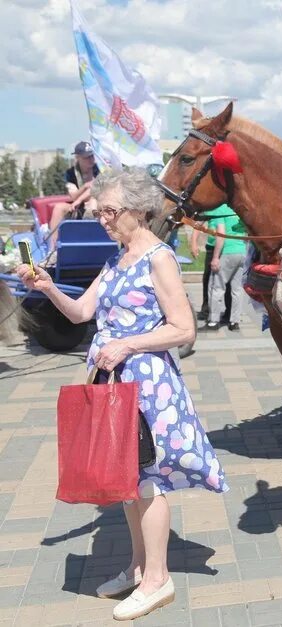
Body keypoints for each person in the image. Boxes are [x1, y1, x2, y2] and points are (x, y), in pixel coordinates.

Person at [15, 168, 229, 620]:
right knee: (127, 480)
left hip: (147, 386)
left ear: (139, 209)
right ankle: (138, 568)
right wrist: (48, 286)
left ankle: (158, 579)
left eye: (109, 212)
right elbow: (82, 313)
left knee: (148, 481)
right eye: (99, 213)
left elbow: (183, 329)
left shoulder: (159, 259)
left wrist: (128, 343)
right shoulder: (117, 259)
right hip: (113, 382)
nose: (103, 221)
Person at [47, 141, 101, 250]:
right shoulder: (70, 173)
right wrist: (85, 186)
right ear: (78, 157)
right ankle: (53, 247)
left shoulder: (98, 169)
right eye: (86, 157)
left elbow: (96, 189)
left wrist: (81, 197)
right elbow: (73, 197)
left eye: (92, 156)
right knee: (58, 208)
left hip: (96, 202)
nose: (91, 159)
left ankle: (94, 244)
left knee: (93, 203)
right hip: (78, 207)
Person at [206, 210, 247, 331]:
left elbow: (221, 235)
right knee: (237, 290)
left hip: (228, 252)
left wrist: (215, 257)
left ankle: (214, 321)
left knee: (217, 287)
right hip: (242, 252)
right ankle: (234, 322)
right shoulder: (239, 211)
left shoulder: (221, 211)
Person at [189, 206, 231, 323]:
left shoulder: (232, 208)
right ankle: (206, 309)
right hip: (212, 247)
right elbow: (198, 224)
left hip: (228, 249)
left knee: (228, 282)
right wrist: (193, 243)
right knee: (207, 279)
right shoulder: (212, 207)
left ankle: (229, 313)